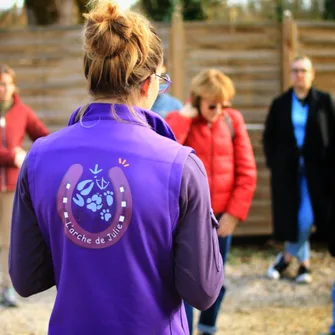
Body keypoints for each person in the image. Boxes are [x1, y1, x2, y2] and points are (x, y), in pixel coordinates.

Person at [8, 1, 223, 334]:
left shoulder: (38, 158)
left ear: (91, 79)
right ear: (149, 83)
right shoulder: (181, 166)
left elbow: (26, 278)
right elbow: (204, 291)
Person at [166, 69, 257, 335]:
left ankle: (208, 326)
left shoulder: (232, 121)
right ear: (196, 100)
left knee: (215, 278)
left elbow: (247, 170)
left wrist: (234, 214)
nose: (219, 110)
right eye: (212, 104)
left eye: (225, 104)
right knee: (187, 279)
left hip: (221, 219)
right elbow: (164, 152)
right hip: (187, 218)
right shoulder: (180, 120)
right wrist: (183, 120)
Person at [263, 56, 335, 284]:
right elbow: (269, 137)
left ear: (312, 74)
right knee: (293, 218)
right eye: (295, 70)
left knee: (307, 218)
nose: (299, 75)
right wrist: (274, 164)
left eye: (303, 70)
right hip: (288, 172)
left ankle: (284, 259)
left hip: (318, 171)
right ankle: (304, 266)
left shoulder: (324, 101)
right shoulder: (280, 103)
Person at [0, 64, 49, 307]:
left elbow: (43, 136)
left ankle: (7, 289)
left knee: (7, 240)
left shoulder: (22, 111)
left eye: (6, 84)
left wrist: (31, 157)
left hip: (10, 186)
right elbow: (10, 154)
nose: (2, 89)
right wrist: (12, 156)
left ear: (14, 86)